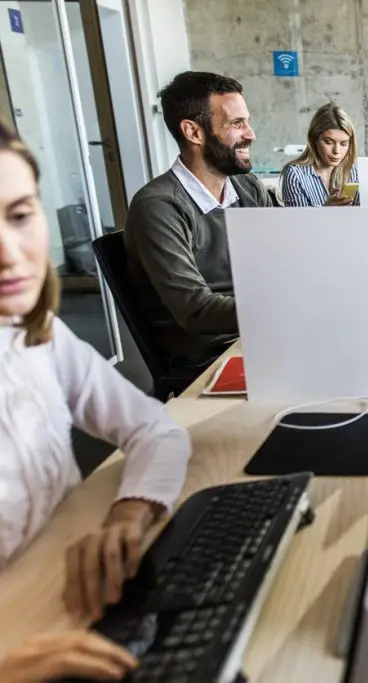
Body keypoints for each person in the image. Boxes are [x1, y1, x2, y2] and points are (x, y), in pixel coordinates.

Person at [0, 123, 191, 679]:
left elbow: (154, 428)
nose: (11, 256)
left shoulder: (35, 335)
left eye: (19, 216)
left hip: (60, 600)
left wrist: (128, 513)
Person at [123, 71, 275, 390]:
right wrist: (287, 307)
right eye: (236, 124)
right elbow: (197, 309)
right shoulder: (159, 206)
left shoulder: (247, 187)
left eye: (246, 121)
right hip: (211, 360)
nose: (251, 134)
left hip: (260, 336)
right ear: (193, 132)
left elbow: (290, 252)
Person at [281, 103, 360, 207]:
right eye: (328, 142)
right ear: (314, 139)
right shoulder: (295, 175)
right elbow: (298, 221)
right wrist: (325, 210)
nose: (337, 151)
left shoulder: (354, 170)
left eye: (344, 144)